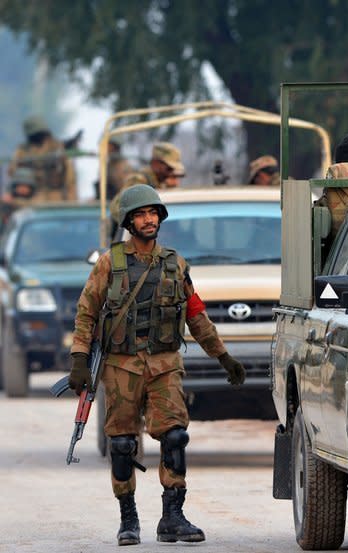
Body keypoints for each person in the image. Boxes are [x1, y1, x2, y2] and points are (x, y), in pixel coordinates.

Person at [67, 185, 246, 546]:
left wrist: (223, 356)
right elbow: (86, 313)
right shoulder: (110, 263)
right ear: (129, 221)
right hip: (121, 367)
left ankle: (172, 516)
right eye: (141, 214)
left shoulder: (174, 264)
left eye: (153, 214)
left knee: (175, 436)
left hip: (164, 365)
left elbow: (196, 315)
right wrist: (79, 359)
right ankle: (128, 518)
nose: (149, 220)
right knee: (121, 443)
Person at [110, 142, 185, 224]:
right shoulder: (139, 181)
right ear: (155, 164)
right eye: (169, 168)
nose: (171, 172)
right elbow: (116, 208)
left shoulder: (159, 183)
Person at [9, 116, 77, 201]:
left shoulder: (57, 147)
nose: (39, 137)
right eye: (36, 134)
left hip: (57, 197)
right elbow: (13, 171)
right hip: (29, 196)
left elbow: (69, 178)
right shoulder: (22, 151)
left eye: (40, 133)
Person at [96, 135, 134, 201]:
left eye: (107, 145)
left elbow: (128, 189)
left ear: (114, 147)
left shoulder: (123, 166)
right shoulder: (108, 165)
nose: (104, 148)